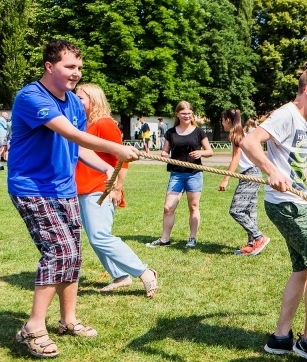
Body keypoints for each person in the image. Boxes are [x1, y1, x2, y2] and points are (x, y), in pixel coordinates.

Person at [8, 40, 139, 358]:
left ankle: (67, 320)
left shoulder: (74, 104)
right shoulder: (32, 97)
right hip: (33, 188)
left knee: (74, 255)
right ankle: (34, 327)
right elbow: (69, 134)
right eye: (69, 67)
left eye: (79, 67)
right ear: (49, 67)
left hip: (64, 188)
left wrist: (108, 170)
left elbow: (79, 150)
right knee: (59, 251)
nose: (76, 73)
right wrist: (115, 149)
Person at [239, 66, 307, 362]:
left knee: (304, 269)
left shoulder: (305, 124)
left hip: (298, 201)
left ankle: (280, 337)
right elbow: (249, 142)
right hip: (287, 204)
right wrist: (271, 172)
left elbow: (300, 166)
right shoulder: (286, 114)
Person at [74, 84, 158, 296]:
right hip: (83, 188)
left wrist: (117, 188)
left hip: (101, 187)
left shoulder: (104, 123)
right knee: (96, 237)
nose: (76, 101)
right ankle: (120, 276)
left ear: (93, 99)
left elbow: (123, 158)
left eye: (80, 98)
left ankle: (145, 272)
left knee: (99, 236)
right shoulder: (83, 124)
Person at [147, 101, 213, 249]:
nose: (187, 115)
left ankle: (192, 238)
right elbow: (165, 151)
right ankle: (165, 239)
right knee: (168, 208)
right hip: (176, 174)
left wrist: (201, 152)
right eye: (183, 113)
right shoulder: (171, 132)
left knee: (193, 206)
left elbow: (209, 151)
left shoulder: (198, 131)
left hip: (194, 174)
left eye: (189, 113)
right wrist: (164, 154)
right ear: (177, 114)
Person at [219, 109, 270, 256]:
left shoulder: (236, 134)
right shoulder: (243, 133)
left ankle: (259, 237)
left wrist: (226, 179)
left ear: (228, 120)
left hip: (249, 174)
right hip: (253, 173)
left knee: (236, 210)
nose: (222, 124)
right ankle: (252, 244)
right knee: (249, 210)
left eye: (222, 120)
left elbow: (236, 158)